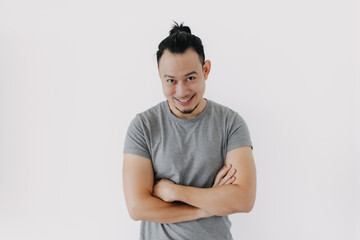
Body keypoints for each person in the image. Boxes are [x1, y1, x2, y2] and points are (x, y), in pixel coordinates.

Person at [122, 21, 257, 240]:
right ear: (159, 75)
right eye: (171, 81)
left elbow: (243, 199)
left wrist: (174, 192)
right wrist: (207, 206)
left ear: (206, 70)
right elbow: (138, 208)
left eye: (191, 78)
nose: (182, 91)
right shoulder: (143, 127)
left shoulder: (230, 123)